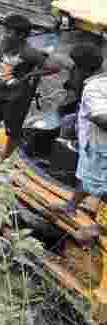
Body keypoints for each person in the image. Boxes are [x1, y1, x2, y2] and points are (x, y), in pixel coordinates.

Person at [0, 15, 60, 166]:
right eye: (5, 30)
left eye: (8, 32)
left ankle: (5, 161)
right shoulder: (2, 45)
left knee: (13, 131)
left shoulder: (29, 52)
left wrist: (31, 74)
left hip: (17, 97)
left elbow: (53, 68)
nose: (4, 34)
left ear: (20, 35)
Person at [50, 45, 107, 228]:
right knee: (84, 175)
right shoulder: (100, 80)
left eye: (74, 67)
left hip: (100, 148)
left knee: (101, 188)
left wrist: (93, 116)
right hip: (93, 146)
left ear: (81, 69)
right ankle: (71, 206)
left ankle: (96, 229)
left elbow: (102, 117)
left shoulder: (93, 89)